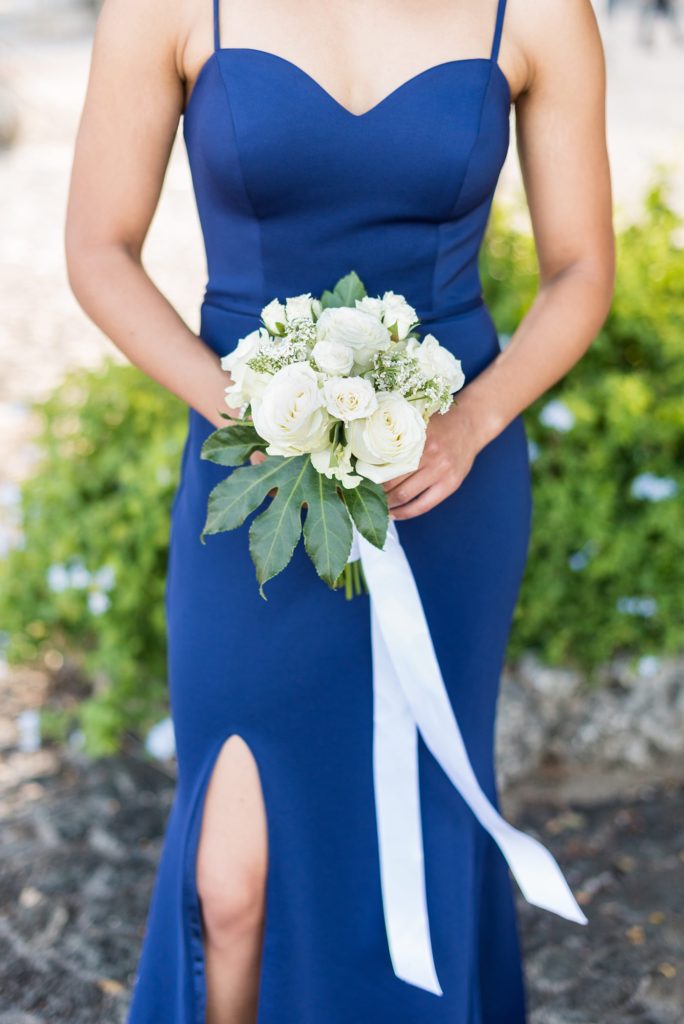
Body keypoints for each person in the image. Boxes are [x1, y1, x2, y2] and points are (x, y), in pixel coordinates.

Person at [64, 0, 614, 1021]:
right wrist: (251, 407)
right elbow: (99, 250)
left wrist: (472, 421)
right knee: (231, 886)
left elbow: (580, 270)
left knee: (416, 831)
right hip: (251, 469)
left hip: (444, 478)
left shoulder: (540, 12)